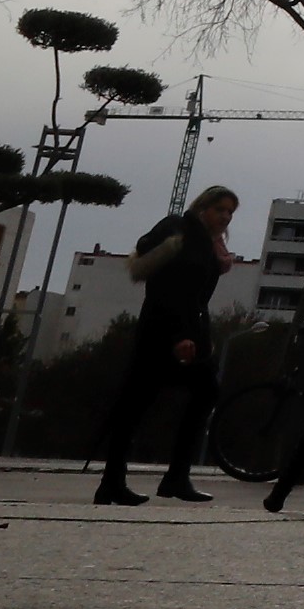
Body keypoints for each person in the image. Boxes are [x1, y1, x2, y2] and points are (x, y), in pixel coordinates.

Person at [90, 186, 239, 507]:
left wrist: (201, 334)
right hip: (163, 330)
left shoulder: (210, 245)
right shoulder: (181, 230)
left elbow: (197, 297)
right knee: (137, 402)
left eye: (230, 212)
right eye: (220, 209)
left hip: (188, 330)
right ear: (204, 208)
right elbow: (168, 288)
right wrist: (180, 335)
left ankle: (170, 477)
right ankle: (118, 481)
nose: (225, 217)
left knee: (199, 392)